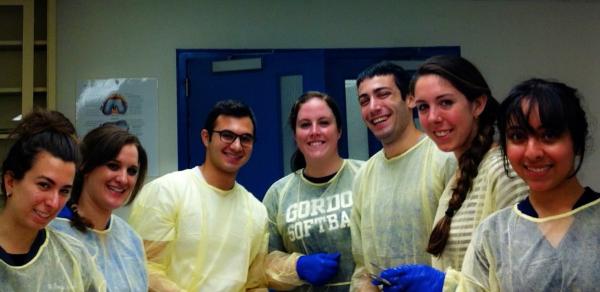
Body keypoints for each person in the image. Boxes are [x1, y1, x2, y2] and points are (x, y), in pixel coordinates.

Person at [371, 55, 529, 291]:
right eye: (423, 107)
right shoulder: (460, 176)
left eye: (445, 103)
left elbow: (520, 280)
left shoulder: (504, 173)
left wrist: (443, 284)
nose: (433, 118)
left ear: (477, 104)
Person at [455, 78, 600, 291]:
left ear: (576, 142)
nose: (532, 152)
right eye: (518, 136)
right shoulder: (493, 234)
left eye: (549, 135)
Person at [129, 100, 269, 291]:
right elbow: (145, 270)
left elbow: (255, 283)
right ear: (206, 137)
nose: (237, 146)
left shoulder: (256, 211)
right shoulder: (167, 192)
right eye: (227, 135)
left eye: (245, 138)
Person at [349, 61, 456, 291]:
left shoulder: (443, 158)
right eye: (364, 101)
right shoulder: (363, 178)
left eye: (383, 94)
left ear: (410, 99)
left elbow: (470, 251)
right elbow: (362, 268)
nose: (373, 107)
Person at [263, 91, 364, 291]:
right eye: (305, 124)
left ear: (339, 130)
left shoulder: (365, 176)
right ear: (295, 134)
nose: (314, 131)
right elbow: (262, 264)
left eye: (324, 123)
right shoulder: (278, 194)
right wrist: (297, 268)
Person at [0, 110, 106, 291]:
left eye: (64, 190)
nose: (54, 202)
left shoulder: (74, 257)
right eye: (44, 185)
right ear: (10, 182)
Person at [49, 124, 148, 291]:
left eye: (131, 171)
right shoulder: (53, 236)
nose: (123, 179)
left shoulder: (131, 240)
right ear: (85, 165)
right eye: (113, 166)